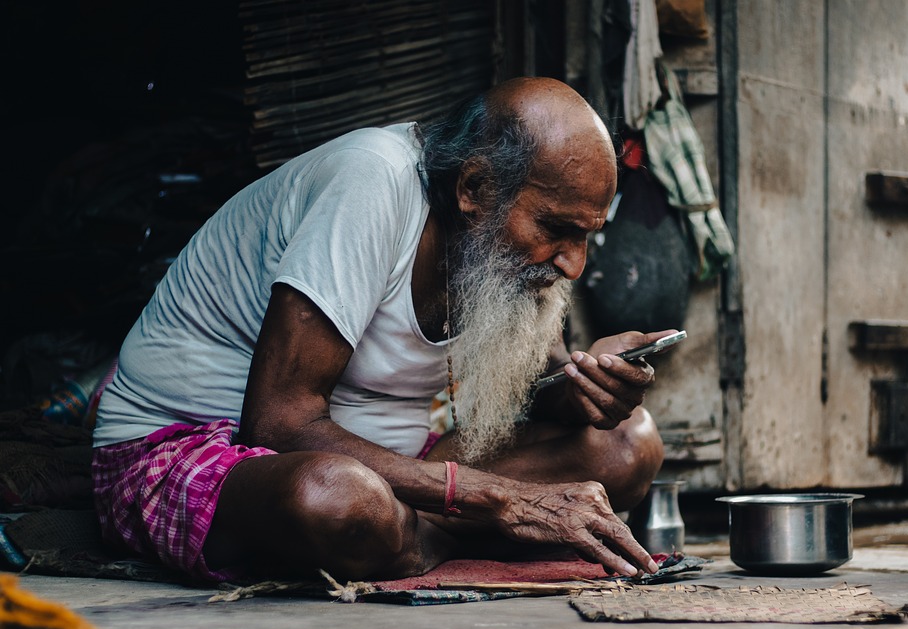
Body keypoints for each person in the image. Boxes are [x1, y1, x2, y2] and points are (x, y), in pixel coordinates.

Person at [91, 77, 671, 584]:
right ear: (474, 190)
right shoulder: (371, 182)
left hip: (399, 473)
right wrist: (504, 499)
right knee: (337, 500)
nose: (574, 263)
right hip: (199, 453)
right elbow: (276, 423)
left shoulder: (510, 248)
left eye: (588, 235)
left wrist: (586, 387)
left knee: (628, 444)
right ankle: (435, 539)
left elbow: (541, 389)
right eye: (558, 229)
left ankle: (408, 543)